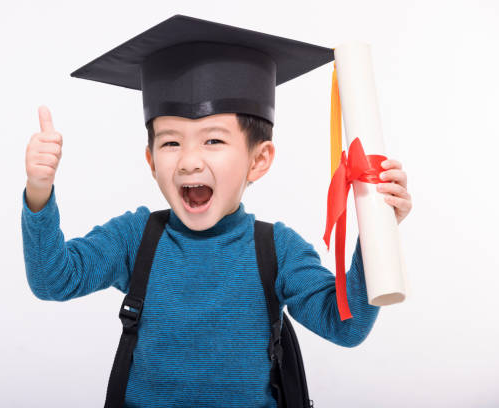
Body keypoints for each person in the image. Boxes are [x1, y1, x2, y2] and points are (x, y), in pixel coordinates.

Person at [21, 14, 412, 407]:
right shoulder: (135, 238)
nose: (190, 160)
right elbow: (52, 279)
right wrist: (39, 192)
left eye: (212, 140)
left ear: (259, 160)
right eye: (171, 143)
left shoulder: (277, 250)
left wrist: (377, 232)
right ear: (151, 160)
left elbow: (345, 325)